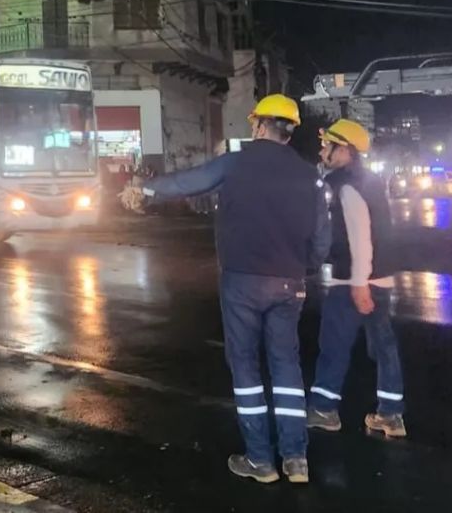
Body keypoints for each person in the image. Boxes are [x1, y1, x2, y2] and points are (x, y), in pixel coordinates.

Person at [126, 94, 329, 484]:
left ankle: (261, 461)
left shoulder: (237, 163)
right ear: (290, 130)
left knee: (247, 367)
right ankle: (296, 458)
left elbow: (191, 181)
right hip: (289, 282)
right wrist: (304, 267)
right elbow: (321, 237)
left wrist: (145, 189)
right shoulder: (309, 174)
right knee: (286, 366)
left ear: (257, 125)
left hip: (243, 282)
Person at [307, 120, 406, 438]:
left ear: (344, 149)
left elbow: (360, 234)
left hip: (353, 280)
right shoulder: (369, 180)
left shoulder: (346, 184)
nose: (323, 150)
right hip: (380, 279)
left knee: (334, 345)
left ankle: (324, 409)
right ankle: (391, 415)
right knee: (383, 346)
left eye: (328, 145)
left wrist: (359, 281)